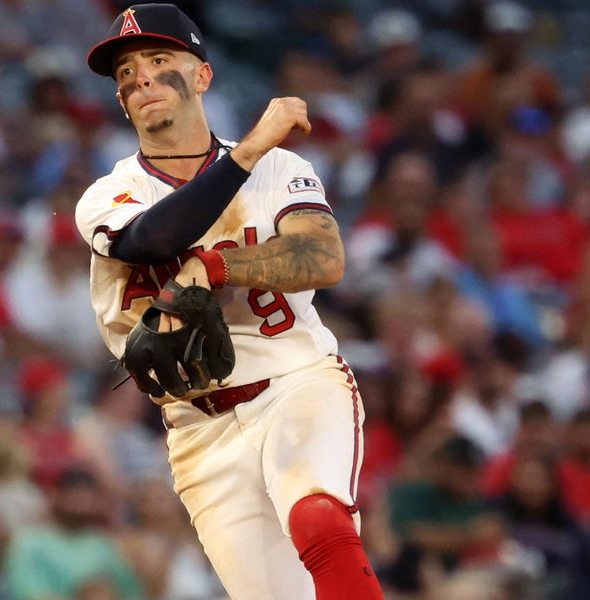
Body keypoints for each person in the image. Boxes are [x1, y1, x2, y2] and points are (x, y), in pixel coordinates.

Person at [75, 4, 383, 598]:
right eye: (126, 74)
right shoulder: (109, 192)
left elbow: (324, 260)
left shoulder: (280, 167)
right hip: (198, 426)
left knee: (319, 516)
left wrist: (213, 265)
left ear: (203, 76)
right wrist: (242, 157)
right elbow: (153, 239)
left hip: (295, 382)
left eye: (160, 60)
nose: (141, 78)